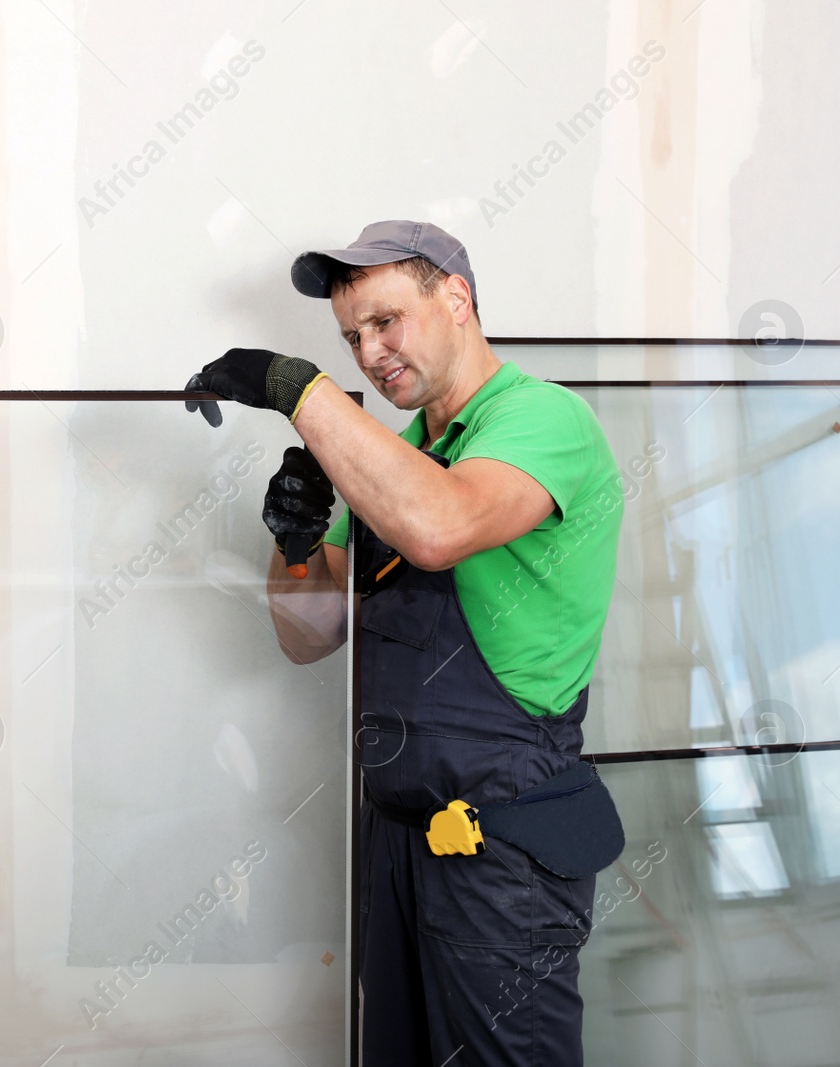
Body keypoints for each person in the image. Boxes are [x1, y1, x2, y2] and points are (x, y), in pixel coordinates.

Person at [184, 221, 624, 1066]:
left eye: (386, 321)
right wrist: (297, 540)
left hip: (499, 848)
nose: (370, 351)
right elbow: (308, 636)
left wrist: (299, 389)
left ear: (455, 298)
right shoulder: (403, 455)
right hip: (396, 840)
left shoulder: (543, 420)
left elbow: (439, 524)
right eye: (352, 338)